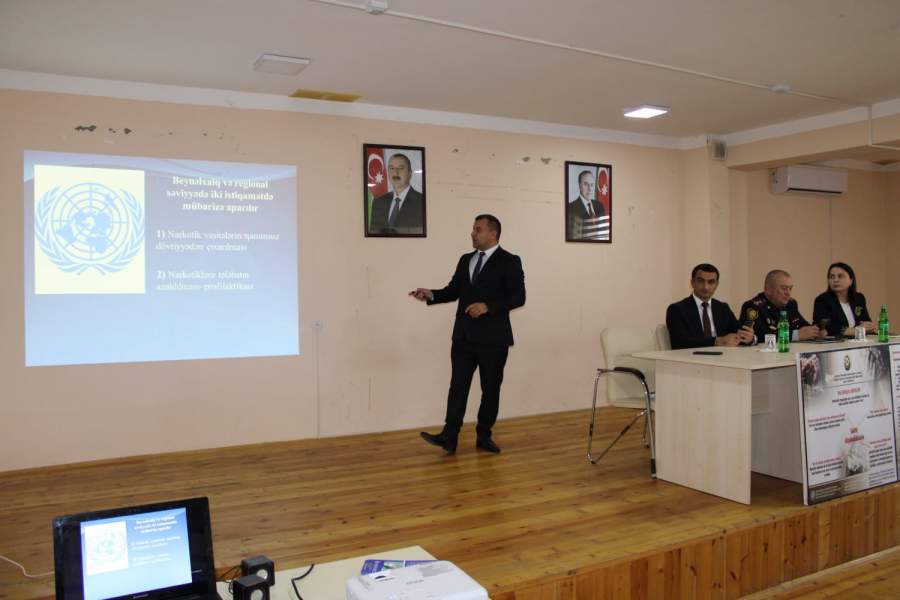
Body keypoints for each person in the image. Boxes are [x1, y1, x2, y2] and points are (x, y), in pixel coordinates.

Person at [409, 214, 525, 455]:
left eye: (478, 229)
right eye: (473, 229)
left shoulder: (509, 261)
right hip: (463, 337)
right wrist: (431, 294)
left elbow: (518, 297)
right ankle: (449, 437)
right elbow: (453, 291)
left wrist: (488, 306)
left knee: (490, 389)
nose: (473, 233)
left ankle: (484, 435)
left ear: (493, 233)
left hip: (493, 340)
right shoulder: (466, 259)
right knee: (457, 388)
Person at [665, 263, 755, 349]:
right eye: (701, 281)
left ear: (716, 285)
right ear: (692, 283)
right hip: (692, 357)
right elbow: (679, 343)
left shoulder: (723, 308)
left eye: (711, 282)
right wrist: (716, 341)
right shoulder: (677, 309)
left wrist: (750, 338)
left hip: (724, 356)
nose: (706, 287)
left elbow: (738, 333)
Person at [739, 269, 823, 343]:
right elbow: (761, 336)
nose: (788, 293)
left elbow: (802, 325)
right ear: (768, 289)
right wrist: (795, 335)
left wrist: (816, 331)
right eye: (784, 288)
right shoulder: (753, 307)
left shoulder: (791, 304)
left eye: (790, 288)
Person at [812, 262, 874, 337]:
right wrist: (857, 331)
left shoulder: (859, 298)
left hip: (858, 341)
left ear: (851, 281)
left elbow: (866, 321)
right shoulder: (822, 300)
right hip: (835, 342)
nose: (835, 280)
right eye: (832, 277)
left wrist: (869, 326)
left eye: (840, 276)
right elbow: (828, 328)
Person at [369, 153, 424, 234]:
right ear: (388, 172)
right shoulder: (378, 202)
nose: (396, 173)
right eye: (392, 168)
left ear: (410, 173)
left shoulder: (421, 201)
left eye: (401, 168)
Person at [567, 169, 605, 239]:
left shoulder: (600, 206)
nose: (589, 189)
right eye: (586, 184)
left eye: (592, 185)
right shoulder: (570, 207)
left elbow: (603, 233)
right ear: (579, 185)